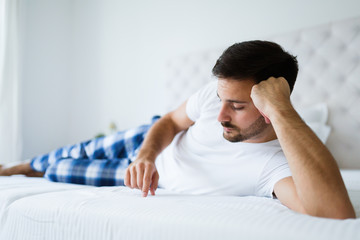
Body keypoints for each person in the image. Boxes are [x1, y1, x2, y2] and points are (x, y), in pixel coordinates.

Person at [0, 40, 355, 219]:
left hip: (155, 180)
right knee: (77, 149)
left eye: (237, 106)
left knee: (61, 168)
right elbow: (169, 121)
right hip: (149, 147)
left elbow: (336, 212)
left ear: (270, 103)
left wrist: (282, 110)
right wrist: (145, 156)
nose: (220, 115)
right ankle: (17, 165)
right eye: (220, 99)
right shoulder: (216, 98)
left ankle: (25, 166)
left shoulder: (273, 167)